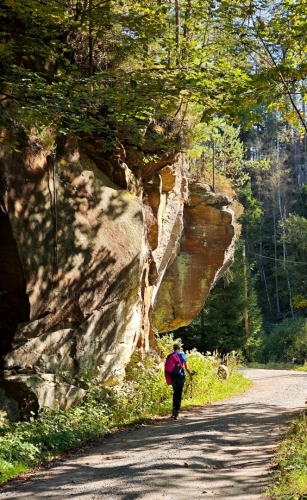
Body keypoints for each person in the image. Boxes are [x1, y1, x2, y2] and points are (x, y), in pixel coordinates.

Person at [169, 342, 192, 420]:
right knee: (179, 394)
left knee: (175, 393)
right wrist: (190, 375)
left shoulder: (170, 356)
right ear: (180, 348)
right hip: (180, 376)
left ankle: (173, 412)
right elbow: (187, 368)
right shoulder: (182, 355)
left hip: (172, 377)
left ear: (173, 348)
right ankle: (177, 414)